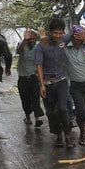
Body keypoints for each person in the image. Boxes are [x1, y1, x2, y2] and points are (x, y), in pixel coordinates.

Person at [35, 18, 74, 148]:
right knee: (51, 112)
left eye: (60, 33)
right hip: (47, 83)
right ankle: (58, 135)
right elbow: (39, 65)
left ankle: (68, 136)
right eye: (55, 33)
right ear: (50, 32)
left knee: (63, 109)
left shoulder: (64, 39)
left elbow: (75, 31)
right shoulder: (41, 46)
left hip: (61, 81)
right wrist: (41, 85)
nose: (57, 36)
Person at [16, 29, 44, 127]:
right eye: (29, 39)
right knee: (25, 99)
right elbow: (19, 51)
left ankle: (37, 119)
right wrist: (24, 40)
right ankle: (27, 117)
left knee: (36, 98)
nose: (31, 40)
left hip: (33, 77)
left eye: (33, 39)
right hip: (23, 77)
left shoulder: (38, 46)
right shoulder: (22, 44)